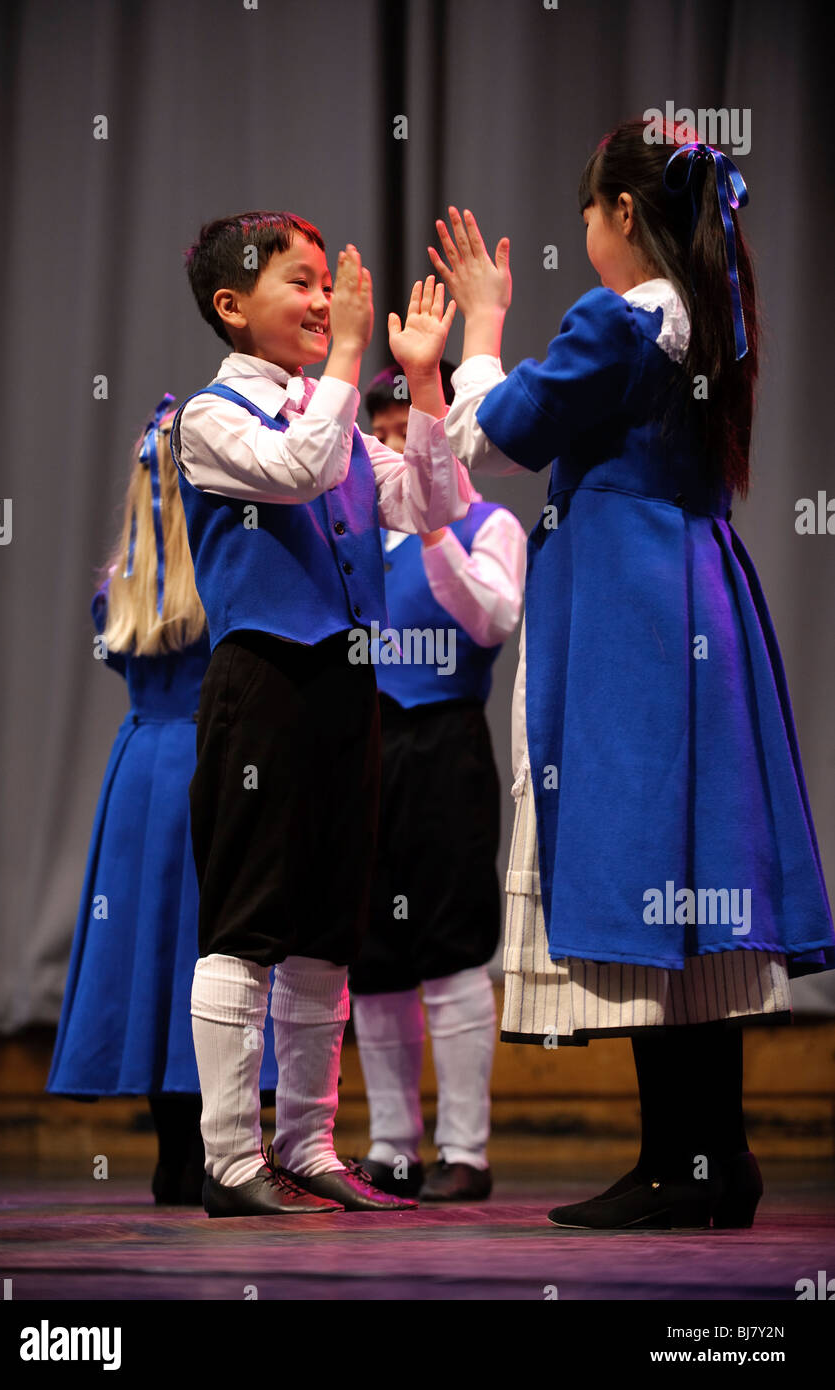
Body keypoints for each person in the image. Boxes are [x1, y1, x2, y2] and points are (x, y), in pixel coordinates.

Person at [428, 118, 835, 1230]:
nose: (586, 239)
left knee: (643, 849)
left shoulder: (620, 318)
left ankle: (685, 1161)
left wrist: (482, 323)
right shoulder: (709, 313)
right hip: (691, 585)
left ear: (618, 215)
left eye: (587, 218)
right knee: (687, 864)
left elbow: (496, 433)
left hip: (627, 606)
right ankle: (703, 1158)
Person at [170, 210, 477, 1216]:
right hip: (263, 688)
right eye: (298, 283)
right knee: (248, 922)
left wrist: (423, 385)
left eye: (325, 284)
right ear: (230, 305)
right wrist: (349, 351)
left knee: (326, 935)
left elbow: (432, 507)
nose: (321, 300)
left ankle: (306, 1144)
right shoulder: (211, 417)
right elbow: (297, 467)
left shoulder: (335, 414)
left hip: (351, 690)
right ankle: (229, 1158)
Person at [47, 397, 278, 1205]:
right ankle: (224, 1145)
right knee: (209, 950)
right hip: (207, 762)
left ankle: (171, 1154)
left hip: (139, 772)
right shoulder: (225, 581)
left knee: (148, 951)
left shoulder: (121, 590)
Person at [350, 364, 526, 1201]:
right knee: (374, 957)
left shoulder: (491, 526)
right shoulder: (357, 537)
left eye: (406, 431)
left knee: (450, 946)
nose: (393, 450)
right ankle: (391, 1145)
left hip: (444, 746)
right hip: (363, 750)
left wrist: (432, 529)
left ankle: (465, 1150)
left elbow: (492, 618)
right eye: (381, 434)